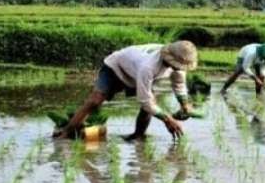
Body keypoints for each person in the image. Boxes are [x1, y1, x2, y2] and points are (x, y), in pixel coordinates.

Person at [52, 41, 198, 141]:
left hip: (135, 73)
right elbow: (145, 100)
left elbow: (179, 84)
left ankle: (138, 136)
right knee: (95, 101)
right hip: (116, 68)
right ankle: (66, 133)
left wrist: (184, 105)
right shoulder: (148, 66)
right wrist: (168, 119)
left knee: (150, 105)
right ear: (170, 58)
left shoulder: (178, 64)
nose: (179, 68)